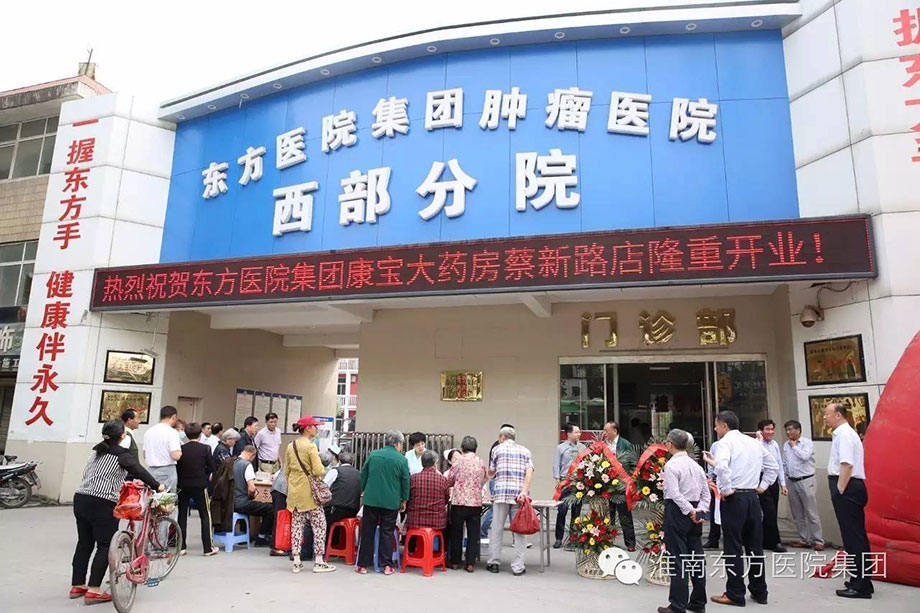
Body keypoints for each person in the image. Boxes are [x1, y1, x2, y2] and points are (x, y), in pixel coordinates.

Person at [71, 420, 163, 605]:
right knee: (105, 545)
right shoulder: (121, 454)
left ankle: (78, 585)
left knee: (84, 543)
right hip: (102, 502)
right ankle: (94, 590)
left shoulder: (96, 450)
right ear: (123, 435)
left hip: (81, 498)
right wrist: (157, 485)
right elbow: (139, 471)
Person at [702, 410, 778, 607]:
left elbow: (723, 468)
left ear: (724, 426)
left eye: (716, 425)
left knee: (733, 546)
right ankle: (760, 591)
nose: (715, 429)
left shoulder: (725, 443)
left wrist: (726, 489)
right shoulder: (753, 442)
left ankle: (735, 593)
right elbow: (773, 466)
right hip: (752, 496)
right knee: (754, 546)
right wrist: (762, 486)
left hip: (735, 498)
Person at [824, 403, 873, 599]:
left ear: (838, 415)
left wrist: (840, 490)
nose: (825, 417)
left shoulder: (844, 434)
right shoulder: (844, 433)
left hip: (848, 487)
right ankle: (861, 581)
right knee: (855, 538)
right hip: (850, 487)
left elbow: (847, 465)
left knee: (854, 539)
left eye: (827, 414)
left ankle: (860, 585)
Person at [659, 429, 710, 613]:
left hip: (678, 511)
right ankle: (698, 601)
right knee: (696, 557)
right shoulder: (696, 466)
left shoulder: (672, 466)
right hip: (695, 510)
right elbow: (706, 493)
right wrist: (700, 511)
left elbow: (674, 494)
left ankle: (678, 604)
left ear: (670, 444)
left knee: (678, 558)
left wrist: (690, 510)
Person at [284, 416, 336, 573]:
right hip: (310, 494)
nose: (317, 429)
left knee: (296, 526)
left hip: (295, 492)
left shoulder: (291, 446)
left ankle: (296, 561)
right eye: (315, 426)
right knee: (319, 525)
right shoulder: (311, 446)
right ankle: (319, 561)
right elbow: (318, 470)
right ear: (307, 428)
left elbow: (287, 471)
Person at [356, 430, 410, 575]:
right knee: (387, 532)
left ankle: (363, 565)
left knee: (368, 531)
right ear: (398, 443)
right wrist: (404, 499)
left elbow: (364, 473)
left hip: (371, 499)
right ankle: (386, 565)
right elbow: (405, 481)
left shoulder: (373, 455)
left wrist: (363, 489)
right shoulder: (402, 460)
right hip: (391, 501)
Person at [487, 425, 533, 576]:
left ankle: (494, 563)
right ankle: (518, 566)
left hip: (501, 494)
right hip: (518, 496)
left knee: (497, 529)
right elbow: (529, 473)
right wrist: (524, 491)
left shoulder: (496, 450)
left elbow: (492, 471)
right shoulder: (525, 451)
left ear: (502, 437)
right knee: (519, 530)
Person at [176, 422, 218, 557]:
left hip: (182, 484)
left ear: (186, 434)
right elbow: (212, 467)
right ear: (200, 434)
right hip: (199, 485)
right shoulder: (205, 449)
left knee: (182, 515)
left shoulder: (181, 448)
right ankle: (207, 547)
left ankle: (181, 546)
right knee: (205, 515)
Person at [783, 419, 824, 551]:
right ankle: (803, 539)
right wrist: (784, 481)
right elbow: (785, 463)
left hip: (806, 480)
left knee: (811, 512)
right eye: (787, 430)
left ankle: (818, 540)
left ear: (798, 430)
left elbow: (805, 456)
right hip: (791, 481)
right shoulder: (786, 445)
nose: (788, 432)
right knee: (797, 514)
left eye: (790, 429)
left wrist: (794, 447)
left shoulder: (807, 443)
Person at [448, 435, 488, 572]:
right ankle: (470, 563)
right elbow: (483, 480)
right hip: (475, 503)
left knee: (456, 532)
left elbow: (450, 479)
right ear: (475, 448)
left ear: (462, 448)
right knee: (473, 534)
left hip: (458, 502)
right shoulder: (481, 462)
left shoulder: (457, 462)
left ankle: (455, 561)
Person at [603, 421, 636, 551]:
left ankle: (630, 543)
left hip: (622, 485)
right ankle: (607, 540)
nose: (605, 433)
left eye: (606, 431)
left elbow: (633, 463)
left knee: (624, 514)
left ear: (615, 431)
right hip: (606, 484)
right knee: (607, 514)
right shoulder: (604, 445)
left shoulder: (625, 444)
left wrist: (631, 480)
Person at [233, 445, 274, 547]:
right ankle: (262, 537)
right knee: (270, 509)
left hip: (230, 501)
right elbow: (251, 488)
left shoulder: (232, 462)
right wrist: (253, 495)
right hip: (241, 502)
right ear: (252, 455)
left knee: (252, 507)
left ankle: (244, 534)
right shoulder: (247, 465)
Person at [756, 419, 788, 553]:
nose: (770, 432)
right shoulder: (757, 444)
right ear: (760, 431)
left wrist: (783, 484)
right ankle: (775, 542)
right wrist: (759, 440)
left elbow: (779, 464)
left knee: (773, 512)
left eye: (772, 429)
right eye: (767, 429)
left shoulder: (774, 444)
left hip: (773, 481)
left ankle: (764, 539)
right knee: (769, 511)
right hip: (761, 479)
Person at [553, 423, 586, 548]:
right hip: (565, 482)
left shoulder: (582, 447)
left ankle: (573, 538)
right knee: (562, 510)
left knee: (576, 511)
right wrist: (557, 480)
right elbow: (556, 464)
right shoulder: (561, 448)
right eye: (576, 432)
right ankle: (559, 538)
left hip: (579, 483)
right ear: (568, 434)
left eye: (579, 432)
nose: (579, 434)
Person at [480, 423, 514, 543]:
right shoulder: (497, 447)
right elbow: (493, 469)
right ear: (502, 436)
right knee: (495, 510)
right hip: (497, 481)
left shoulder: (503, 447)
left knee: (508, 509)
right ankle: (482, 532)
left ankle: (515, 538)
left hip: (502, 481)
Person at [143, 406, 183, 502]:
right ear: (173, 417)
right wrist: (180, 452)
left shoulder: (149, 431)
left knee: (151, 501)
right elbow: (175, 455)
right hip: (167, 471)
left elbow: (144, 454)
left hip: (151, 471)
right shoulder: (172, 432)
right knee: (166, 503)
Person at [406, 450, 450, 530]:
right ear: (435, 463)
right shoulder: (443, 480)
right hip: (437, 522)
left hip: (414, 521)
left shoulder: (413, 478)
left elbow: (407, 498)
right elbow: (446, 499)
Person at [323, 450, 361, 525]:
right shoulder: (359, 474)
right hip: (353, 510)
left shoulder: (335, 471)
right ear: (352, 462)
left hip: (336, 509)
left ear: (339, 461)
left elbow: (324, 485)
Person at [703, 438, 721, 549]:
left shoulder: (738, 444)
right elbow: (710, 464)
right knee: (714, 510)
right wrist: (710, 480)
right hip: (716, 479)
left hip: (732, 480)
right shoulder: (716, 445)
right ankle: (714, 539)